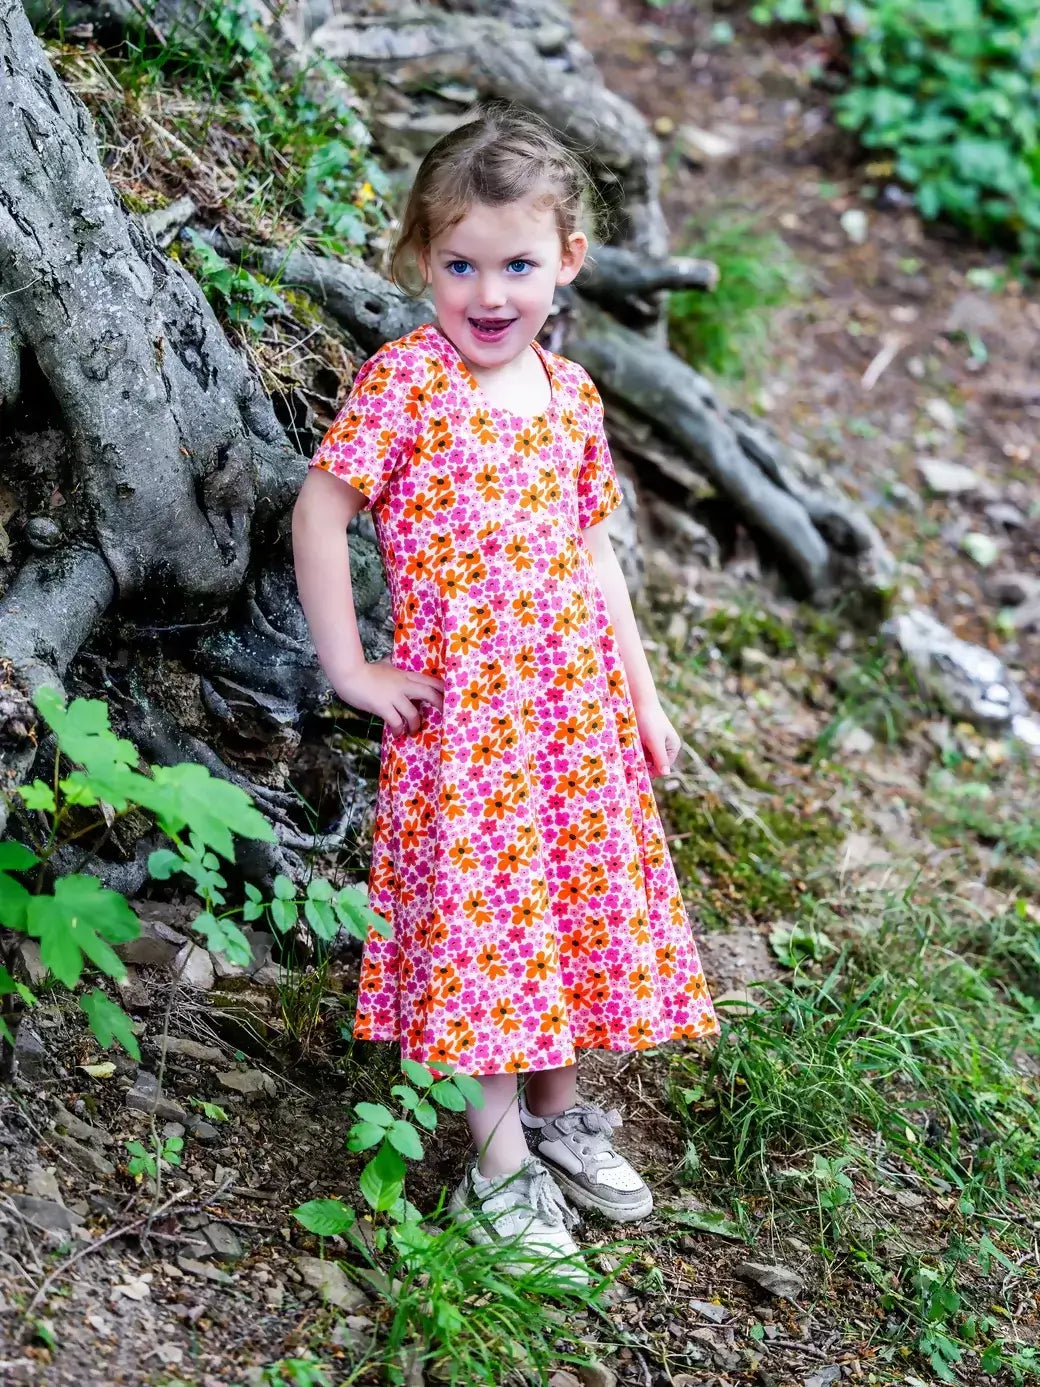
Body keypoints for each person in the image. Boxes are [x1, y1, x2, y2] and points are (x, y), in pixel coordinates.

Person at [292, 102, 718, 1282]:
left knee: (562, 915)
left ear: (566, 260)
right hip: (468, 726)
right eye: (460, 265)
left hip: (569, 720)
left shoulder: (570, 396)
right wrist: (348, 666)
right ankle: (496, 1167)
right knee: (484, 928)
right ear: (421, 261)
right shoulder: (407, 382)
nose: (488, 293)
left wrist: (640, 696)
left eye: (517, 265)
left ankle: (555, 1113)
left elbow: (593, 557)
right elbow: (319, 511)